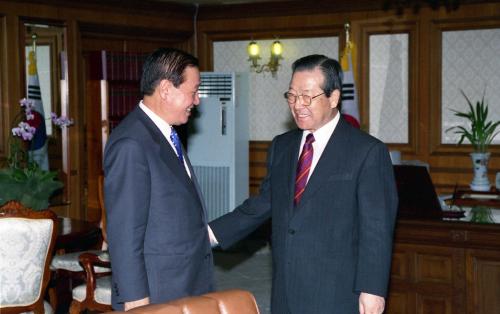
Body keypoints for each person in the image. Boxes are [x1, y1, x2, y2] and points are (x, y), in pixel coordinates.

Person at [210, 54, 398, 314]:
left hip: (338, 291)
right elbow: (264, 203)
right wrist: (209, 234)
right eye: (292, 95)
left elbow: (376, 228)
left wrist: (373, 289)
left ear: (333, 98)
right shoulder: (282, 146)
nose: (298, 105)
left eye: (308, 96)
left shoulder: (366, 151)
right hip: (286, 289)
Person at [104, 48, 215, 311]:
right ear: (166, 89)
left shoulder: (164, 133)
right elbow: (124, 233)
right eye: (193, 91)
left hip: (183, 282)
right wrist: (136, 301)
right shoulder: (132, 143)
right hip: (157, 292)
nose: (197, 100)